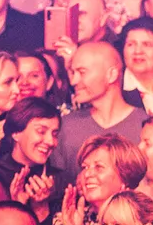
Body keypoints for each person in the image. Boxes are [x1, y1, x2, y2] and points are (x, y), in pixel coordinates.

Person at [44, 133, 146, 225]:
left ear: (125, 176)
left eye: (98, 167)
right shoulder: (65, 219)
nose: (88, 174)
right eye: (85, 167)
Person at [56, 42, 147, 175]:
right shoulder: (66, 126)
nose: (74, 81)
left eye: (82, 72)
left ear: (112, 74)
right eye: (73, 73)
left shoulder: (144, 126)